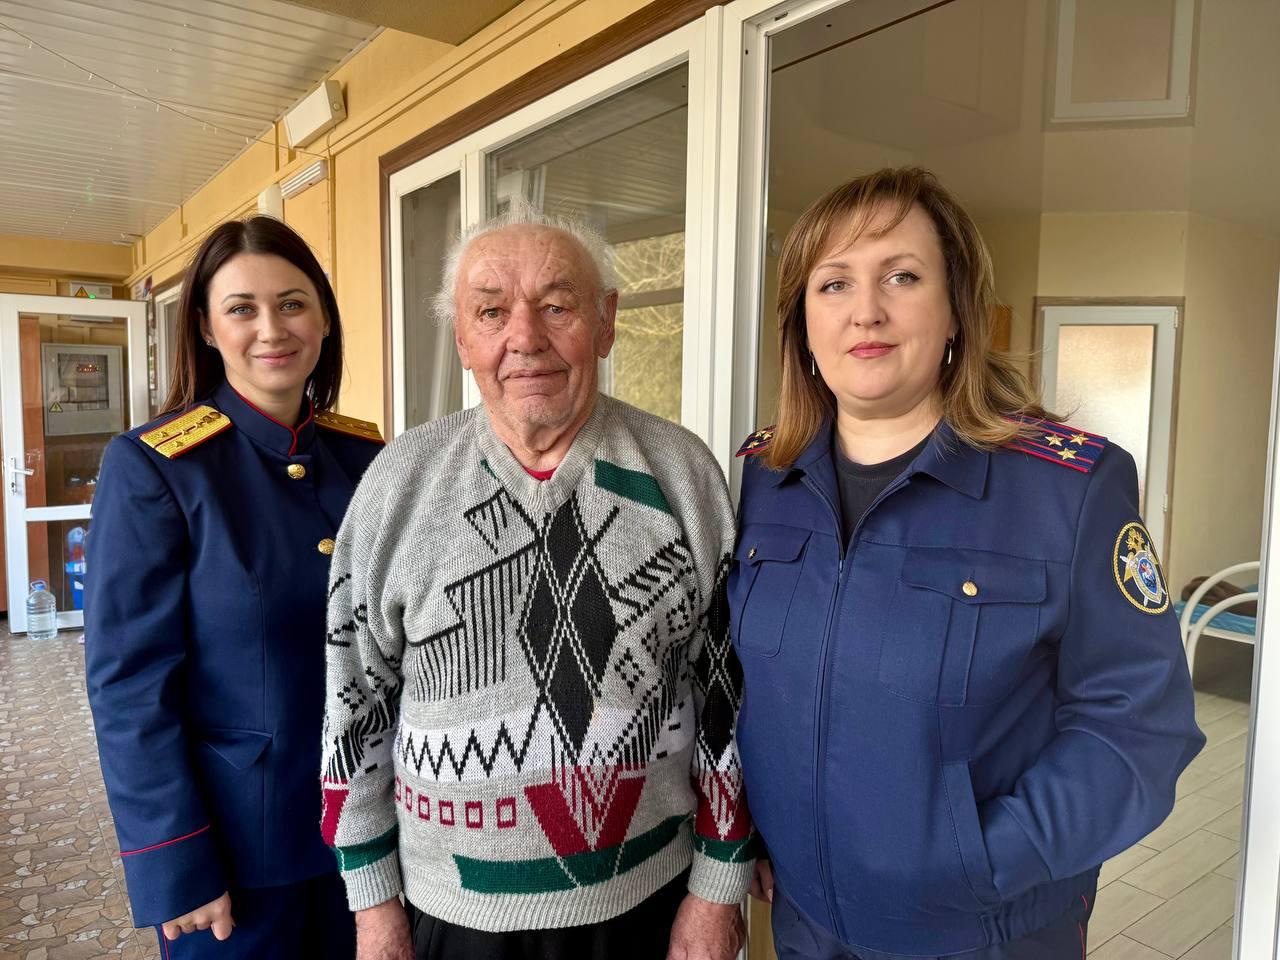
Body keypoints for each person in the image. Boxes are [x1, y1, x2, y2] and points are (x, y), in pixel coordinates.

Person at [730, 168, 1204, 960]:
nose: (866, 311)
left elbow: (1137, 728)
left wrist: (982, 860)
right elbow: (744, 688)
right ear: (802, 326)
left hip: (981, 932)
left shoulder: (1068, 488)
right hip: (805, 924)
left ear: (956, 309)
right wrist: (751, 824)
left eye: (902, 277)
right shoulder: (761, 478)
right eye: (834, 284)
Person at [319, 206, 754, 960]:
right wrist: (373, 908)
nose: (525, 338)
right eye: (491, 312)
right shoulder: (399, 483)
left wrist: (719, 886)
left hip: (647, 898)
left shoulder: (682, 472)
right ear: (462, 338)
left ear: (606, 322)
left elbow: (727, 696)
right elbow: (354, 701)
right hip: (449, 910)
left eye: (557, 306)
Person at [85, 216, 384, 958]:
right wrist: (175, 862)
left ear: (323, 318)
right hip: (238, 854)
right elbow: (129, 684)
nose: (271, 329)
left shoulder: (367, 456)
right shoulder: (157, 467)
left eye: (292, 303)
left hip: (375, 836)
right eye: (242, 308)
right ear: (207, 327)